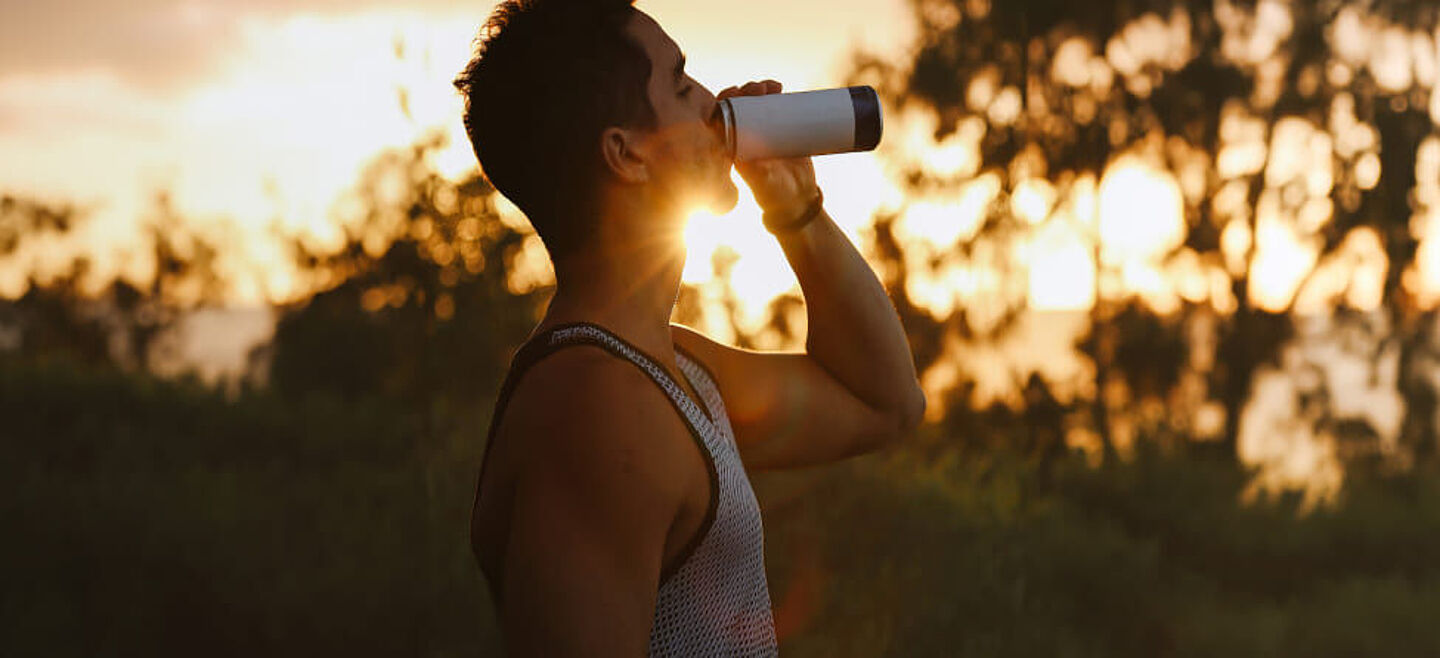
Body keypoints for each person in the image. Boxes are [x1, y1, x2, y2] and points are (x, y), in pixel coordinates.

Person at [454, 0, 926, 654]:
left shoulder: (668, 369)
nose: (711, 101)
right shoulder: (599, 407)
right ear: (628, 155)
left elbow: (885, 405)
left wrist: (795, 209)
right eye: (680, 83)